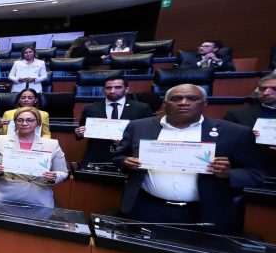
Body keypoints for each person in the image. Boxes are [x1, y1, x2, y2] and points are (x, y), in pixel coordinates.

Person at [114, 84, 266, 234]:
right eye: (176, 98)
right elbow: (120, 156)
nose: (184, 103)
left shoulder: (234, 133)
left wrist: (228, 174)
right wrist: (125, 161)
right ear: (165, 104)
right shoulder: (138, 127)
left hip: (203, 212)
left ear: (205, 103)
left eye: (192, 98)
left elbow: (255, 173)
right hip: (146, 208)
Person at [0, 106, 68, 208]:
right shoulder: (1, 140)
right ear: (15, 123)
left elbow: (63, 172)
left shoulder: (52, 144)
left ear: (38, 123)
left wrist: (53, 177)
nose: (24, 123)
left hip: (38, 198)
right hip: (5, 195)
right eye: (20, 120)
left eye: (30, 120)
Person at [75, 74, 155, 163]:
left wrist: (125, 141)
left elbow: (150, 134)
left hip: (129, 156)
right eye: (108, 88)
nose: (112, 91)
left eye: (118, 87)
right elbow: (82, 131)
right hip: (97, 156)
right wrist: (79, 133)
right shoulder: (91, 108)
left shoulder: (142, 108)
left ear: (127, 89)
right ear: (103, 90)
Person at [225, 72, 276, 175]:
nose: (266, 93)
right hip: (249, 169)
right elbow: (224, 143)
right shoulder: (237, 114)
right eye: (262, 89)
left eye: (274, 89)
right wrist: (247, 138)